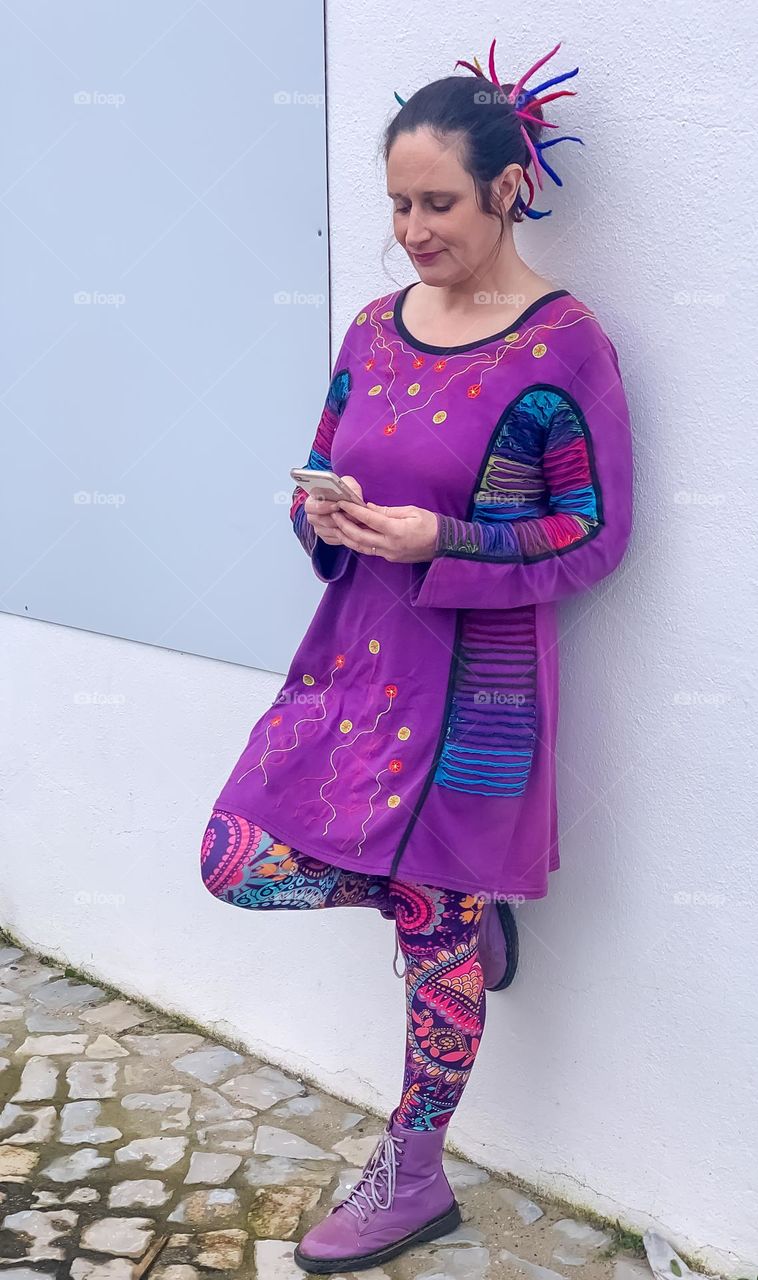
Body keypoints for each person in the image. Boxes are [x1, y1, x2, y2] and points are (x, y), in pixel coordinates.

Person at [200, 37, 634, 1274]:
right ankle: (449, 910)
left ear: (507, 187)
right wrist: (323, 514)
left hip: (479, 692)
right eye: (396, 203)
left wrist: (442, 534)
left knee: (430, 916)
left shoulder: (562, 345)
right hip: (353, 663)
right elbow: (323, 456)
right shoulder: (372, 327)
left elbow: (592, 532)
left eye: (434, 202)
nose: (409, 230)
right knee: (235, 858)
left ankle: (415, 1166)